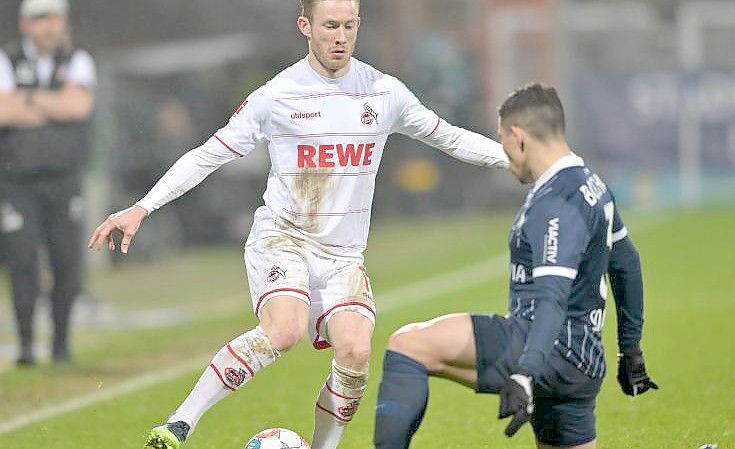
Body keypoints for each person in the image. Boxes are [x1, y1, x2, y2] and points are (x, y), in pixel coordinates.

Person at [87, 1, 508, 448]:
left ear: (358, 26)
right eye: (330, 26)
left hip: (343, 255)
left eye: (348, 26)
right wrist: (143, 207)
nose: (340, 36)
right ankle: (179, 425)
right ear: (306, 26)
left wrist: (521, 161)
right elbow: (208, 154)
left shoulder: (383, 93)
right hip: (283, 237)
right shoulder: (278, 95)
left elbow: (449, 135)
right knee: (284, 330)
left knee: (356, 351)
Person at [372, 83, 658, 449]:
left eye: (503, 140)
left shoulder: (554, 202)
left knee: (408, 344)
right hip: (582, 363)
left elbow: (551, 299)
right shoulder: (591, 183)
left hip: (542, 349)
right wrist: (630, 349)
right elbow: (627, 265)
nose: (504, 154)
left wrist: (525, 371)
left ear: (519, 137)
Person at [0, 0, 96, 366]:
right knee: (21, 259)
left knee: (65, 260)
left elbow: (79, 108)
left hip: (63, 178)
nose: (49, 26)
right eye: (41, 19)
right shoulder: (6, 59)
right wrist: (53, 103)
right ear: (26, 24)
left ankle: (61, 344)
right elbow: (3, 111)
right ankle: (26, 345)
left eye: (54, 18)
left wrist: (26, 100)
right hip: (16, 180)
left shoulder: (77, 60)